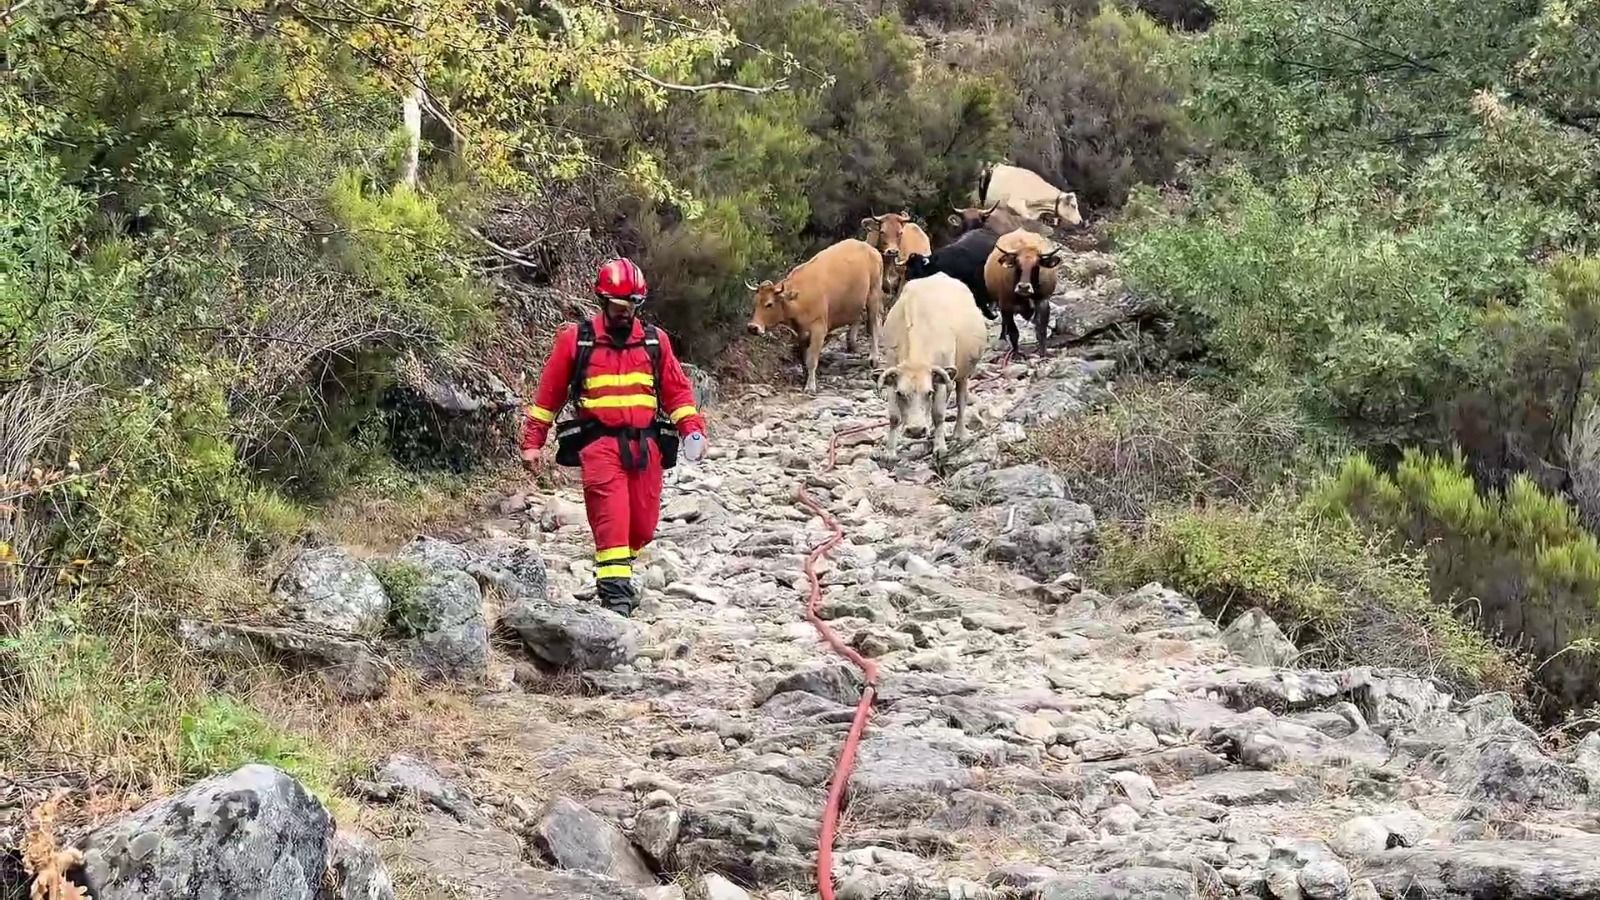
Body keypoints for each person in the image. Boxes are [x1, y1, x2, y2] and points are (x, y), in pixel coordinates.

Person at [520, 258, 708, 616]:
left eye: (631, 306)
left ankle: (619, 570)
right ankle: (615, 599)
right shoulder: (577, 341)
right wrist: (533, 442)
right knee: (612, 522)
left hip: (646, 447)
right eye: (617, 306)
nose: (623, 313)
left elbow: (677, 393)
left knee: (643, 526)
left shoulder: (655, 341)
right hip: (599, 446)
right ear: (602, 301)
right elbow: (548, 397)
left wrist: (692, 430)